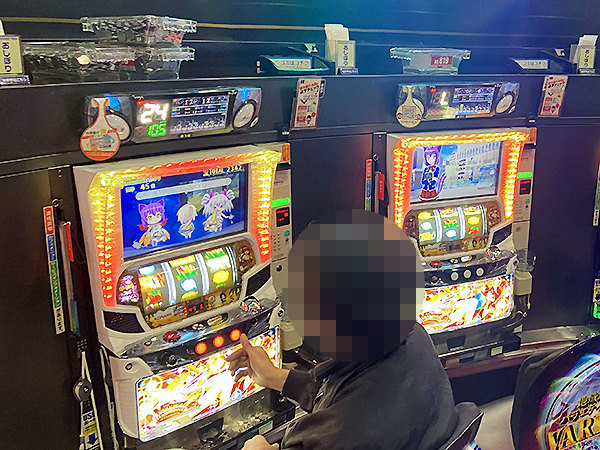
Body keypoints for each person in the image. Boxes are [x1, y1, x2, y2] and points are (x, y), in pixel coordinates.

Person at [227, 210, 459, 450]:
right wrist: (273, 376)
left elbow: (348, 419)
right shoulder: (415, 338)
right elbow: (346, 393)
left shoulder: (339, 435)